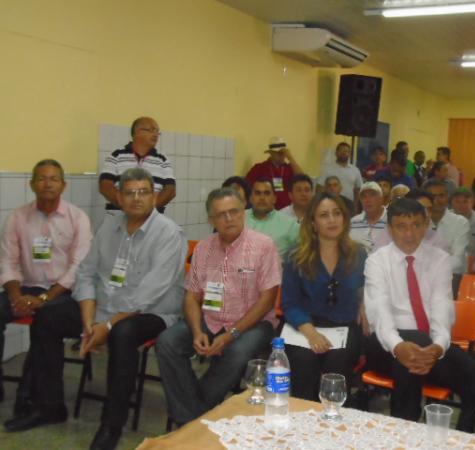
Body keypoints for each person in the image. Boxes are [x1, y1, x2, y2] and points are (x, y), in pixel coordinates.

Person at [3, 168, 186, 450]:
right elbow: (86, 274)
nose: (136, 199)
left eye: (144, 192)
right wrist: (89, 322)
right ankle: (49, 406)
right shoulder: (109, 227)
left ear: (155, 196)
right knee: (48, 317)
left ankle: (111, 424)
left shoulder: (169, 233)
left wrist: (107, 326)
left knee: (122, 334)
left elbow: (149, 293)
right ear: (119, 197)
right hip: (104, 306)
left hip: (154, 311)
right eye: (129, 193)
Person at [364, 198, 475, 432]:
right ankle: (402, 438)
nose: (409, 233)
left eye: (416, 225)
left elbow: (442, 309)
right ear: (390, 228)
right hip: (386, 347)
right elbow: (381, 316)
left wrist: (438, 347)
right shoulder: (377, 261)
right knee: (412, 346)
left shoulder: (440, 260)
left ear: (426, 225)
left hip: (430, 348)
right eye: (401, 226)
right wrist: (399, 347)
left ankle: (463, 443)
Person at [156, 187, 281, 426]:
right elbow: (191, 297)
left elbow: (267, 300)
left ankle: (189, 419)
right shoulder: (203, 248)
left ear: (244, 212)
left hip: (253, 322)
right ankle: (195, 417)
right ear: (211, 220)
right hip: (211, 318)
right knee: (167, 342)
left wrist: (231, 335)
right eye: (221, 215)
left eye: (234, 212)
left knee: (236, 352)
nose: (229, 219)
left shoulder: (264, 246)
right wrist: (196, 332)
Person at [0, 160, 92, 411]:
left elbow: (79, 267)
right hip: (25, 288)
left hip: (64, 292)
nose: (47, 183)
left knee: (46, 319)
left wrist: (44, 299)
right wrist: (16, 296)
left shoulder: (77, 218)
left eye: (53, 178)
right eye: (41, 178)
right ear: (31, 184)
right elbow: (7, 260)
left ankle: (28, 396)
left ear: (64, 184)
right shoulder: (18, 217)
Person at [282, 192, 367, 401]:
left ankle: (333, 422)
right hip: (305, 325)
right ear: (312, 223)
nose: (332, 220)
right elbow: (290, 303)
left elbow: (369, 290)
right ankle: (304, 420)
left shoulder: (359, 254)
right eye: (324, 215)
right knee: (303, 360)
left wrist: (366, 303)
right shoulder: (296, 256)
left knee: (337, 363)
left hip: (345, 326)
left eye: (337, 213)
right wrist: (311, 334)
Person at [99, 116, 176, 214]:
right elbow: (105, 186)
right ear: (137, 132)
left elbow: (170, 191)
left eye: (157, 131)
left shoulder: (162, 160)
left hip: (152, 218)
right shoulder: (116, 156)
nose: (155, 134)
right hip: (119, 216)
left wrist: (148, 208)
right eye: (151, 130)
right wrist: (127, 205)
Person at [423, 180, 469, 295]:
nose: (438, 200)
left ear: (447, 197)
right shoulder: (419, 223)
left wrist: (432, 271)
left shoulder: (460, 222)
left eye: (442, 196)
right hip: (423, 279)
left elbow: (457, 260)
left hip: (452, 279)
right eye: (433, 196)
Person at [375, 190, 450, 254]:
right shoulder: (389, 234)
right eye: (421, 209)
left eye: (429, 209)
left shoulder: (437, 239)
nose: (426, 214)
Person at [245, 178, 300, 257]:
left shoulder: (290, 224)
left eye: (267, 193)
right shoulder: (238, 218)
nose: (262, 198)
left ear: (274, 199)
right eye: (257, 193)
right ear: (251, 198)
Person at [246, 137, 304, 210]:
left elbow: (303, 180)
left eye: (283, 153)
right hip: (265, 208)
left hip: (287, 209)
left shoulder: (289, 168)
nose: (282, 156)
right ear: (271, 153)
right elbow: (247, 187)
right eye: (279, 153)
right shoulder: (260, 168)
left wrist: (290, 158)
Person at [451, 188, 475, 273]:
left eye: (465, 201)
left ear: (472, 202)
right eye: (457, 201)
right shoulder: (445, 219)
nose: (461, 205)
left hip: (473, 269)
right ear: (452, 203)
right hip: (448, 267)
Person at [318, 142, 363, 211]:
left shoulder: (355, 170)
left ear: (350, 154)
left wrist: (355, 206)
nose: (344, 153)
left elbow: (357, 190)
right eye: (341, 150)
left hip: (348, 206)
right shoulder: (328, 169)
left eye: (346, 151)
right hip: (330, 204)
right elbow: (320, 187)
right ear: (336, 153)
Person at [350, 182, 387, 254]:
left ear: (381, 198)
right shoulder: (353, 222)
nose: (368, 200)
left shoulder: (392, 221)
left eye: (373, 195)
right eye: (364, 196)